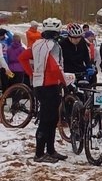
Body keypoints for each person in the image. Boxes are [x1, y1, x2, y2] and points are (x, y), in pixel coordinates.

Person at [19, 17, 67, 162]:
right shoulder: (54, 46)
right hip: (51, 86)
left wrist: (31, 73)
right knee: (48, 120)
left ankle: (50, 150)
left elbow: (22, 57)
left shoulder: (36, 45)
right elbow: (55, 66)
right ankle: (40, 153)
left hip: (39, 85)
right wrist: (65, 82)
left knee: (50, 119)